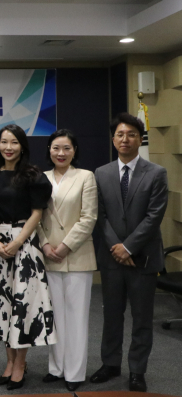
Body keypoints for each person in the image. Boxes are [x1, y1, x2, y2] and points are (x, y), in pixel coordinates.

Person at [0, 124, 55, 391]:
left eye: (14, 142)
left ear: (22, 147)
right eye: (4, 142)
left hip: (25, 245)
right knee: (3, 307)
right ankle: (9, 363)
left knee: (23, 307)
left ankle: (20, 365)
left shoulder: (34, 176)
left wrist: (17, 242)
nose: (8, 147)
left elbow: (37, 213)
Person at [90, 113, 168, 393]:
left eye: (132, 134)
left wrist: (129, 247)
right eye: (120, 134)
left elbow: (154, 216)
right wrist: (117, 248)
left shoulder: (156, 173)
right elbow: (100, 215)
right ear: (113, 139)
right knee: (111, 314)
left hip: (143, 258)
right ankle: (110, 364)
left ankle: (137, 370)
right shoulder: (101, 173)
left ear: (140, 138)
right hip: (112, 258)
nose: (125, 139)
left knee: (142, 318)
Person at [37, 129, 98, 391]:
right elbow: (35, 216)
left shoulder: (86, 177)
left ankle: (74, 371)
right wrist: (44, 243)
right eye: (55, 148)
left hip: (76, 255)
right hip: (48, 254)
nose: (61, 153)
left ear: (74, 151)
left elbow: (89, 218)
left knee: (76, 317)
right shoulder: (41, 178)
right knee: (54, 316)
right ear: (49, 150)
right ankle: (56, 366)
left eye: (66, 148)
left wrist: (64, 246)